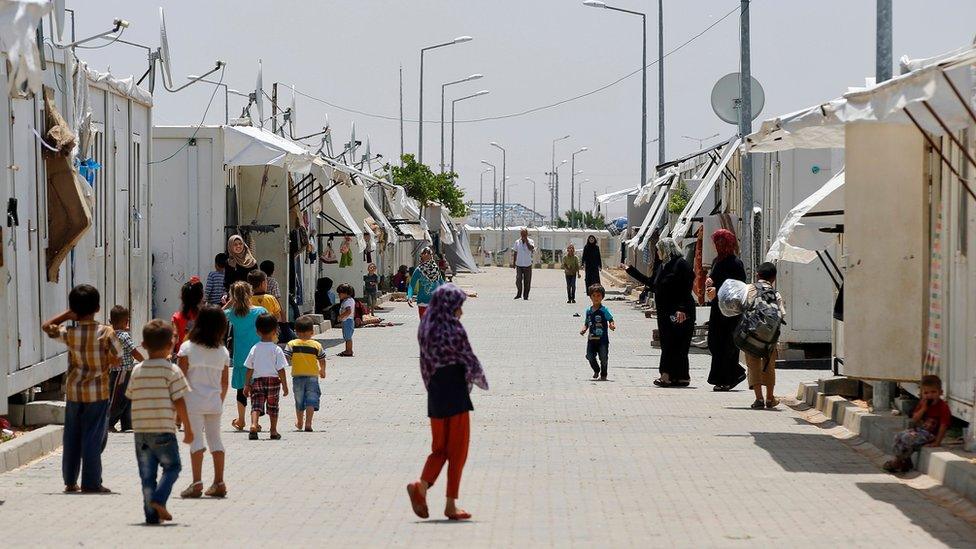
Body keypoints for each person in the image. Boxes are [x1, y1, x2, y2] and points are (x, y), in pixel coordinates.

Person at [406, 284, 488, 522]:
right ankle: (451, 504)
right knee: (458, 450)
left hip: (435, 391)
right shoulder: (453, 328)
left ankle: (420, 487)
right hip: (455, 392)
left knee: (439, 447)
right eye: (459, 306)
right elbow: (468, 358)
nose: (460, 312)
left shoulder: (427, 326)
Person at [41, 284, 122, 493]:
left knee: (72, 436)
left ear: (75, 310)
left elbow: (47, 326)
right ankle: (91, 482)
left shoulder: (70, 333)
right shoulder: (106, 332)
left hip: (75, 392)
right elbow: (117, 358)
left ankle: (70, 481)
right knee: (93, 438)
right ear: (97, 307)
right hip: (98, 393)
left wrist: (68, 314)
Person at [125, 319, 192, 524]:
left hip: (141, 432)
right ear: (171, 345)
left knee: (147, 475)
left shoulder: (137, 371)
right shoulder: (172, 371)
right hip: (163, 430)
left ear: (143, 345)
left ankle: (151, 515)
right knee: (172, 467)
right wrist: (188, 428)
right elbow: (179, 401)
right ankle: (159, 499)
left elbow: (130, 396)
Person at [623, 238, 695, 387]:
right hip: (665, 312)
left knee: (676, 344)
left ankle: (667, 376)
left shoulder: (680, 264)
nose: (657, 253)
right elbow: (653, 284)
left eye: (659, 250)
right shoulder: (663, 265)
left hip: (680, 312)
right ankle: (679, 377)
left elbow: (686, 287)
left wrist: (681, 309)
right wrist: (631, 271)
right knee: (669, 343)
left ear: (667, 249)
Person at [176, 305, 230, 499]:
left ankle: (197, 482)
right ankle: (219, 482)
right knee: (216, 439)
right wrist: (219, 401)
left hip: (192, 402)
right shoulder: (222, 352)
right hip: (214, 402)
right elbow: (225, 383)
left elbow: (180, 378)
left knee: (196, 440)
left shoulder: (187, 348)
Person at [704, 229, 747, 392]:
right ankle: (733, 373)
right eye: (717, 243)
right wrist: (710, 282)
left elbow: (737, 286)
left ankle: (729, 379)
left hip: (730, 312)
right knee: (715, 343)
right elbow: (717, 279)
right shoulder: (717, 261)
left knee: (727, 345)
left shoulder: (735, 263)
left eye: (721, 243)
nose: (718, 246)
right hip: (717, 309)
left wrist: (718, 289)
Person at [740, 263, 787, 409]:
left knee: (753, 364)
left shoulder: (749, 289)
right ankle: (770, 398)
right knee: (769, 365)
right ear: (773, 278)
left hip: (751, 334)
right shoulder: (775, 293)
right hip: (770, 338)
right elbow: (782, 313)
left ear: (757, 275)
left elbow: (741, 306)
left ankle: (758, 399)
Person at [883, 375, 952, 473]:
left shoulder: (943, 407)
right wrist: (923, 409)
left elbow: (943, 425)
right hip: (919, 431)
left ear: (940, 392)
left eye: (933, 392)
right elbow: (915, 419)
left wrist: (937, 442)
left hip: (930, 434)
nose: (930, 395)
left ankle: (896, 462)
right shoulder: (923, 404)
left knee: (907, 438)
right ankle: (904, 460)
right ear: (921, 394)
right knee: (899, 436)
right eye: (926, 393)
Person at [224, 282, 268, 432]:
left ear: (232, 296)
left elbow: (215, 315)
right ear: (250, 294)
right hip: (258, 356)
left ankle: (241, 419)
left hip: (240, 357)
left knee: (241, 390)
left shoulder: (232, 313)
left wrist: (229, 304)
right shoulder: (260, 311)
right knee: (257, 390)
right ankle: (254, 421)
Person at [243, 314, 289, 440]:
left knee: (256, 404)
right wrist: (285, 386)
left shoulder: (254, 348)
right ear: (275, 331)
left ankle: (253, 424)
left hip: (257, 380)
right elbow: (281, 370)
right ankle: (273, 431)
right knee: (273, 406)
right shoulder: (277, 349)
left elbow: (249, 368)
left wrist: (246, 384)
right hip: (273, 381)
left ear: (257, 331)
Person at [285, 316, 327, 432]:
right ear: (312, 332)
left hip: (297, 377)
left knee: (299, 400)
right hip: (312, 377)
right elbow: (322, 359)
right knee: (311, 400)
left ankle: (299, 422)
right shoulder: (316, 345)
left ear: (296, 332)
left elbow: (286, 358)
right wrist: (322, 370)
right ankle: (308, 423)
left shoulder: (292, 344)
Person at [107, 306, 144, 433]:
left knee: (126, 396)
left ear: (110, 321)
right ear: (126, 322)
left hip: (116, 371)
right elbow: (134, 352)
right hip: (122, 372)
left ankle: (127, 423)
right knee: (119, 397)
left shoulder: (109, 335)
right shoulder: (124, 336)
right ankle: (110, 423)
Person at [248, 269, 295, 343]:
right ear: (263, 283)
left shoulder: (248, 300)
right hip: (270, 335)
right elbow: (277, 316)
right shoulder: (271, 298)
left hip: (253, 335)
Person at [580, 284, 615, 380]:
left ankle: (604, 374)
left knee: (603, 358)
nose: (596, 298)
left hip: (602, 340)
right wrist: (584, 329)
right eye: (594, 296)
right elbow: (587, 322)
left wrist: (611, 324)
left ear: (602, 297)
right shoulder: (589, 311)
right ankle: (596, 369)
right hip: (591, 339)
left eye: (598, 296)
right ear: (590, 296)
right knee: (589, 356)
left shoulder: (604, 310)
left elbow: (611, 319)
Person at [407, 247, 444, 318]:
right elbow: (412, 285)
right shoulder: (419, 270)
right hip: (422, 302)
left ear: (431, 255)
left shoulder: (436, 269)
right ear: (421, 256)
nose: (426, 254)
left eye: (428, 253)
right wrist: (409, 297)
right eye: (424, 253)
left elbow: (442, 284)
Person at [172, 277, 204, 356]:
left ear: (183, 298)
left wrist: (170, 352)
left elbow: (175, 335)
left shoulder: (176, 317)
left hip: (183, 356)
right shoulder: (205, 316)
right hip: (201, 356)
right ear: (200, 297)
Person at [511, 228, 535, 300]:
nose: (523, 235)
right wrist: (514, 262)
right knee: (518, 279)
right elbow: (515, 252)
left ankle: (526, 295)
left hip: (527, 264)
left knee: (527, 281)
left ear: (527, 234)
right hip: (519, 264)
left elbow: (531, 248)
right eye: (522, 234)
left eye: (524, 234)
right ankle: (519, 293)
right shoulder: (517, 242)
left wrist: (526, 241)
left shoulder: (531, 241)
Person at [336, 283, 356, 357]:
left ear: (346, 293)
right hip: (348, 320)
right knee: (346, 337)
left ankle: (349, 351)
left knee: (348, 337)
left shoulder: (347, 301)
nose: (339, 295)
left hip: (348, 321)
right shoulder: (350, 300)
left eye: (340, 293)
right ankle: (347, 350)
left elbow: (348, 311)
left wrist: (340, 316)